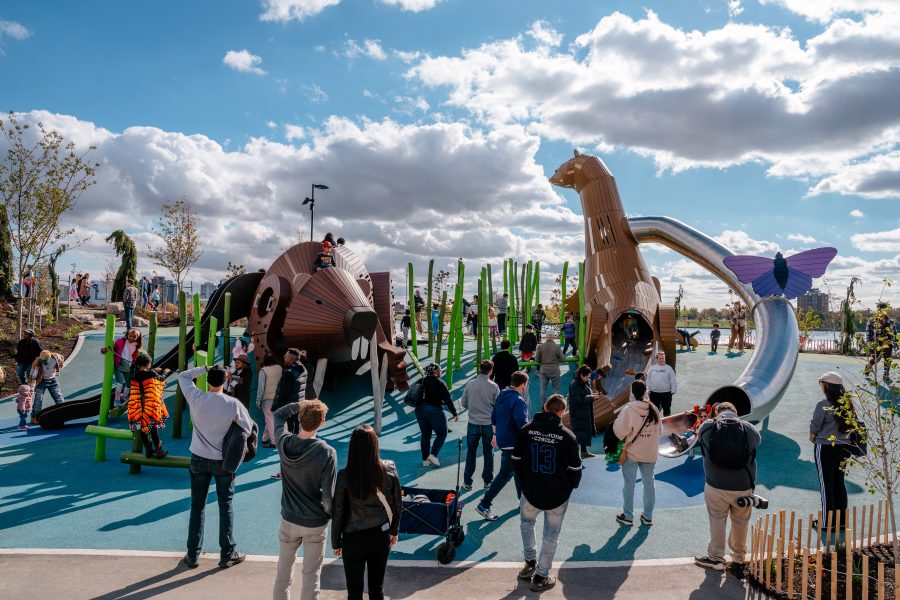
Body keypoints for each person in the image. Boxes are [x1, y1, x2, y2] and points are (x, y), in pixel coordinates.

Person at [179, 364, 254, 570]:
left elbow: (184, 376)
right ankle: (227, 553)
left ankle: (193, 555)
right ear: (224, 381)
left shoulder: (196, 397)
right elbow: (247, 428)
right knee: (225, 506)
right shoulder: (233, 404)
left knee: (197, 506)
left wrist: (204, 368)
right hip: (223, 461)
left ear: (208, 380)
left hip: (198, 458)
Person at [511, 394, 582, 592]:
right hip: (557, 494)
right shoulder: (568, 437)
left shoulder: (526, 430)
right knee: (551, 536)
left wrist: (526, 481)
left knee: (527, 524)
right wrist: (567, 488)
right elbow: (575, 472)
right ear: (562, 412)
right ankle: (541, 575)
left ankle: (529, 563)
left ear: (544, 407)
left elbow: (515, 460)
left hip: (531, 489)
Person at [272, 399, 337, 600]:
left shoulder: (284, 442)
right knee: (311, 577)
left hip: (289, 518)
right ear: (322, 422)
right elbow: (328, 496)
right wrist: (328, 515)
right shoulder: (326, 452)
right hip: (315, 522)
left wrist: (301, 404)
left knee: (283, 575)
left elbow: (278, 414)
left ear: (299, 418)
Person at [332, 425, 401, 600]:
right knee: (376, 589)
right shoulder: (389, 469)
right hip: (380, 534)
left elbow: (338, 511)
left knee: (354, 592)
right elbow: (397, 504)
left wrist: (336, 542)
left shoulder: (344, 476)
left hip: (353, 537)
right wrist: (394, 530)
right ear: (375, 445)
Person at [694, 401, 761, 572]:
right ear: (736, 413)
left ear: (717, 412)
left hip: (716, 485)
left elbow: (699, 436)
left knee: (717, 519)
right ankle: (738, 559)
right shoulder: (748, 429)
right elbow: (757, 442)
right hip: (743, 486)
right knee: (741, 522)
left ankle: (716, 558)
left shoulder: (708, 427)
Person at [475, 371, 529, 521]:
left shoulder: (503, 395)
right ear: (523, 384)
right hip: (515, 442)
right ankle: (484, 504)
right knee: (506, 473)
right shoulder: (518, 400)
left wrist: (495, 435)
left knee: (518, 471)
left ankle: (523, 500)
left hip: (504, 440)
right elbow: (522, 423)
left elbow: (493, 417)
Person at [810, 372, 858, 529]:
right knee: (839, 483)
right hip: (845, 448)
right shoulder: (848, 404)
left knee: (826, 485)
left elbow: (814, 428)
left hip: (825, 448)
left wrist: (813, 437)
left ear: (827, 386)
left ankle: (827, 523)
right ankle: (841, 522)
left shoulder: (823, 404)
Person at [613, 380, 661, 526]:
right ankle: (648, 516)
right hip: (650, 452)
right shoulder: (653, 408)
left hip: (632, 453)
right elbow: (660, 431)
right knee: (649, 483)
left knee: (629, 484)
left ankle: (628, 516)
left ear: (632, 392)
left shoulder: (629, 409)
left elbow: (619, 432)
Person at [461, 360, 500, 491]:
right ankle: (488, 481)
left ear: (479, 369)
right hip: (488, 423)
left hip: (473, 422)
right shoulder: (494, 386)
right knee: (488, 452)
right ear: (491, 371)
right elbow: (497, 406)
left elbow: (464, 402)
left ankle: (467, 482)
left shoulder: (470, 384)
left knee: (471, 452)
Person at [271, 348, 309, 479]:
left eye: (286, 356)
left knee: (286, 441)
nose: (283, 357)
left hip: (288, 410)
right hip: (298, 408)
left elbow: (283, 394)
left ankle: (286, 471)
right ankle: (298, 467)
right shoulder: (303, 369)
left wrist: (277, 408)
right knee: (297, 437)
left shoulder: (289, 373)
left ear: (290, 359)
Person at [127, 353, 170, 459]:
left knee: (142, 427)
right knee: (154, 427)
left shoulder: (134, 375)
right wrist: (165, 372)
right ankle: (159, 450)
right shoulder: (151, 373)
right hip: (149, 404)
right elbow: (160, 379)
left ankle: (149, 450)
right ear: (148, 364)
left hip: (138, 405)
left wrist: (154, 370)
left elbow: (145, 375)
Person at [415, 363, 458, 467]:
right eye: (439, 370)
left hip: (420, 410)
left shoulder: (422, 380)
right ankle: (433, 455)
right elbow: (447, 399)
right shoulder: (440, 382)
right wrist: (454, 412)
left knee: (425, 434)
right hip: (434, 410)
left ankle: (425, 460)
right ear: (435, 372)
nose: (440, 372)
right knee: (442, 433)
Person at [101, 328, 143, 407]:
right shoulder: (120, 341)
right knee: (120, 383)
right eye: (130, 336)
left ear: (137, 338)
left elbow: (136, 357)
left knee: (128, 383)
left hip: (128, 366)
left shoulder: (137, 346)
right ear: (127, 335)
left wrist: (137, 364)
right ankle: (116, 400)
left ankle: (124, 396)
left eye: (134, 337)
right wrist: (104, 350)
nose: (131, 338)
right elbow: (111, 348)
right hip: (118, 365)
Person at [567, 365, 596, 458]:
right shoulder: (574, 385)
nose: (588, 378)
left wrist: (592, 396)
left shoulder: (586, 382)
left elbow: (585, 396)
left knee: (584, 432)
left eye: (589, 377)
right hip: (577, 413)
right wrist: (592, 397)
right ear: (581, 376)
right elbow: (577, 400)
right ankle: (574, 455)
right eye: (587, 376)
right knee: (578, 434)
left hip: (585, 411)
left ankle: (584, 451)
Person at [29, 350, 65, 423]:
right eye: (43, 360)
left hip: (53, 380)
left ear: (50, 357)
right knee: (38, 399)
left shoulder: (56, 357)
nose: (45, 361)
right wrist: (31, 389)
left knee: (58, 397)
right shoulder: (37, 363)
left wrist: (58, 370)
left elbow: (62, 360)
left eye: (46, 359)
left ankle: (63, 413)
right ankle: (34, 417)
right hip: (42, 381)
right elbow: (32, 376)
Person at [257, 353, 283, 449]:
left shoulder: (263, 371)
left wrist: (258, 401)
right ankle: (265, 438)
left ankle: (274, 442)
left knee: (270, 419)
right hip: (279, 399)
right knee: (271, 419)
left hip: (267, 400)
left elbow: (261, 388)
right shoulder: (280, 368)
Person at [866, 302, 895, 382]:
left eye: (884, 309)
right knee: (876, 359)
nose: (882, 310)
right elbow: (868, 334)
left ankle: (886, 375)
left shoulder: (891, 322)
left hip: (888, 343)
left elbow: (894, 334)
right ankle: (868, 367)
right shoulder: (872, 321)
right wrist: (871, 344)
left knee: (888, 359)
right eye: (880, 309)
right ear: (878, 309)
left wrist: (896, 346)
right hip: (876, 344)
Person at [534, 332, 563, 405]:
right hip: (554, 370)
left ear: (546, 337)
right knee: (556, 390)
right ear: (553, 337)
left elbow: (537, 359)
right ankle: (555, 406)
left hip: (544, 370)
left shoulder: (540, 346)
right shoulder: (557, 347)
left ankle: (543, 407)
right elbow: (562, 358)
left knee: (543, 391)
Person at [646, 351, 677, 417]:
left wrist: (673, 390)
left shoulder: (669, 368)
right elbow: (648, 379)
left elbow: (673, 379)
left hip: (666, 393)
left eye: (663, 358)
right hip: (654, 393)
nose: (661, 360)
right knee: (654, 410)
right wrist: (647, 389)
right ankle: (654, 424)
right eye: (660, 358)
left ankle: (667, 422)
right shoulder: (652, 368)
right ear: (657, 359)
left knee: (667, 410)